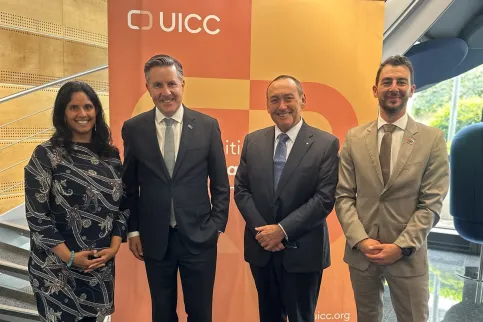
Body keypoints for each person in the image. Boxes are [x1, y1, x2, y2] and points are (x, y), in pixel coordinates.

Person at [335, 55, 450, 322]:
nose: (393, 88)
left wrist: (400, 246)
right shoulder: (354, 138)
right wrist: (361, 240)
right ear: (375, 90)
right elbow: (343, 196)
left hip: (407, 255)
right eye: (386, 82)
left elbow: (431, 204)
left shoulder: (432, 139)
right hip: (362, 255)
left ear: (412, 89)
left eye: (401, 82)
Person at [121, 54, 230, 322]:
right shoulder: (134, 129)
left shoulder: (207, 126)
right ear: (148, 88)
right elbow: (128, 186)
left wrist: (216, 226)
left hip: (199, 237)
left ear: (182, 84)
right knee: (163, 313)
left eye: (172, 84)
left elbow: (220, 184)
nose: (166, 92)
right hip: (155, 239)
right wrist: (133, 229)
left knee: (201, 312)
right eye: (157, 85)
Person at [234, 75, 339, 322]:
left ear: (303, 100)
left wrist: (281, 230)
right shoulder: (253, 141)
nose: (282, 106)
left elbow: (324, 198)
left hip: (303, 251)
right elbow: (241, 189)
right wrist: (264, 232)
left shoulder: (326, 144)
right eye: (275, 100)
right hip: (262, 249)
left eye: (288, 98)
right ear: (267, 105)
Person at [24, 81, 128, 322]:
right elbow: (37, 216)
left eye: (88, 107)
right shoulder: (46, 154)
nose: (82, 114)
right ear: (63, 113)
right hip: (56, 268)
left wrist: (113, 248)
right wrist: (69, 257)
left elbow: (123, 207)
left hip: (98, 267)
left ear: (97, 112)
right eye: (74, 108)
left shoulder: (111, 157)